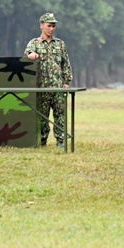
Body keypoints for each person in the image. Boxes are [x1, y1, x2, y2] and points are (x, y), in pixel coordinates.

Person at [24, 12, 73, 147]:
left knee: (60, 114)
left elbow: (65, 63)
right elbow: (26, 54)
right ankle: (42, 139)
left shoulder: (60, 44)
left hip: (57, 86)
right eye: (49, 26)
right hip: (42, 87)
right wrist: (31, 54)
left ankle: (61, 140)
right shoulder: (34, 44)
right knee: (42, 115)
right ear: (41, 26)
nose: (51, 29)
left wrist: (66, 82)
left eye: (53, 26)